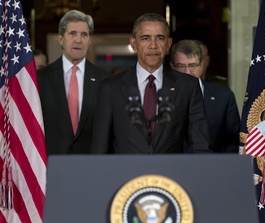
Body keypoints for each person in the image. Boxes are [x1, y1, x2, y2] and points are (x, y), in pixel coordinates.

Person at [90, 13, 211, 154]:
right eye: (145, 38)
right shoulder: (110, 88)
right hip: (126, 175)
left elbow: (200, 146)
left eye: (160, 38)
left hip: (171, 175)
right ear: (134, 44)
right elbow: (99, 150)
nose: (153, 45)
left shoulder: (188, 86)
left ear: (168, 44)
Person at [38, 10, 111, 155]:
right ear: (60, 39)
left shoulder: (106, 81)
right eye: (72, 33)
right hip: (51, 167)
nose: (78, 40)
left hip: (91, 167)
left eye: (84, 35)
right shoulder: (40, 79)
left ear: (89, 40)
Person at [170, 39, 240, 153]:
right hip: (169, 168)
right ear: (172, 67)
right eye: (181, 66)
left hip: (213, 168)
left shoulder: (224, 97)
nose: (187, 72)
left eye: (192, 66)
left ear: (201, 65)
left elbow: (234, 141)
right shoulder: (161, 96)